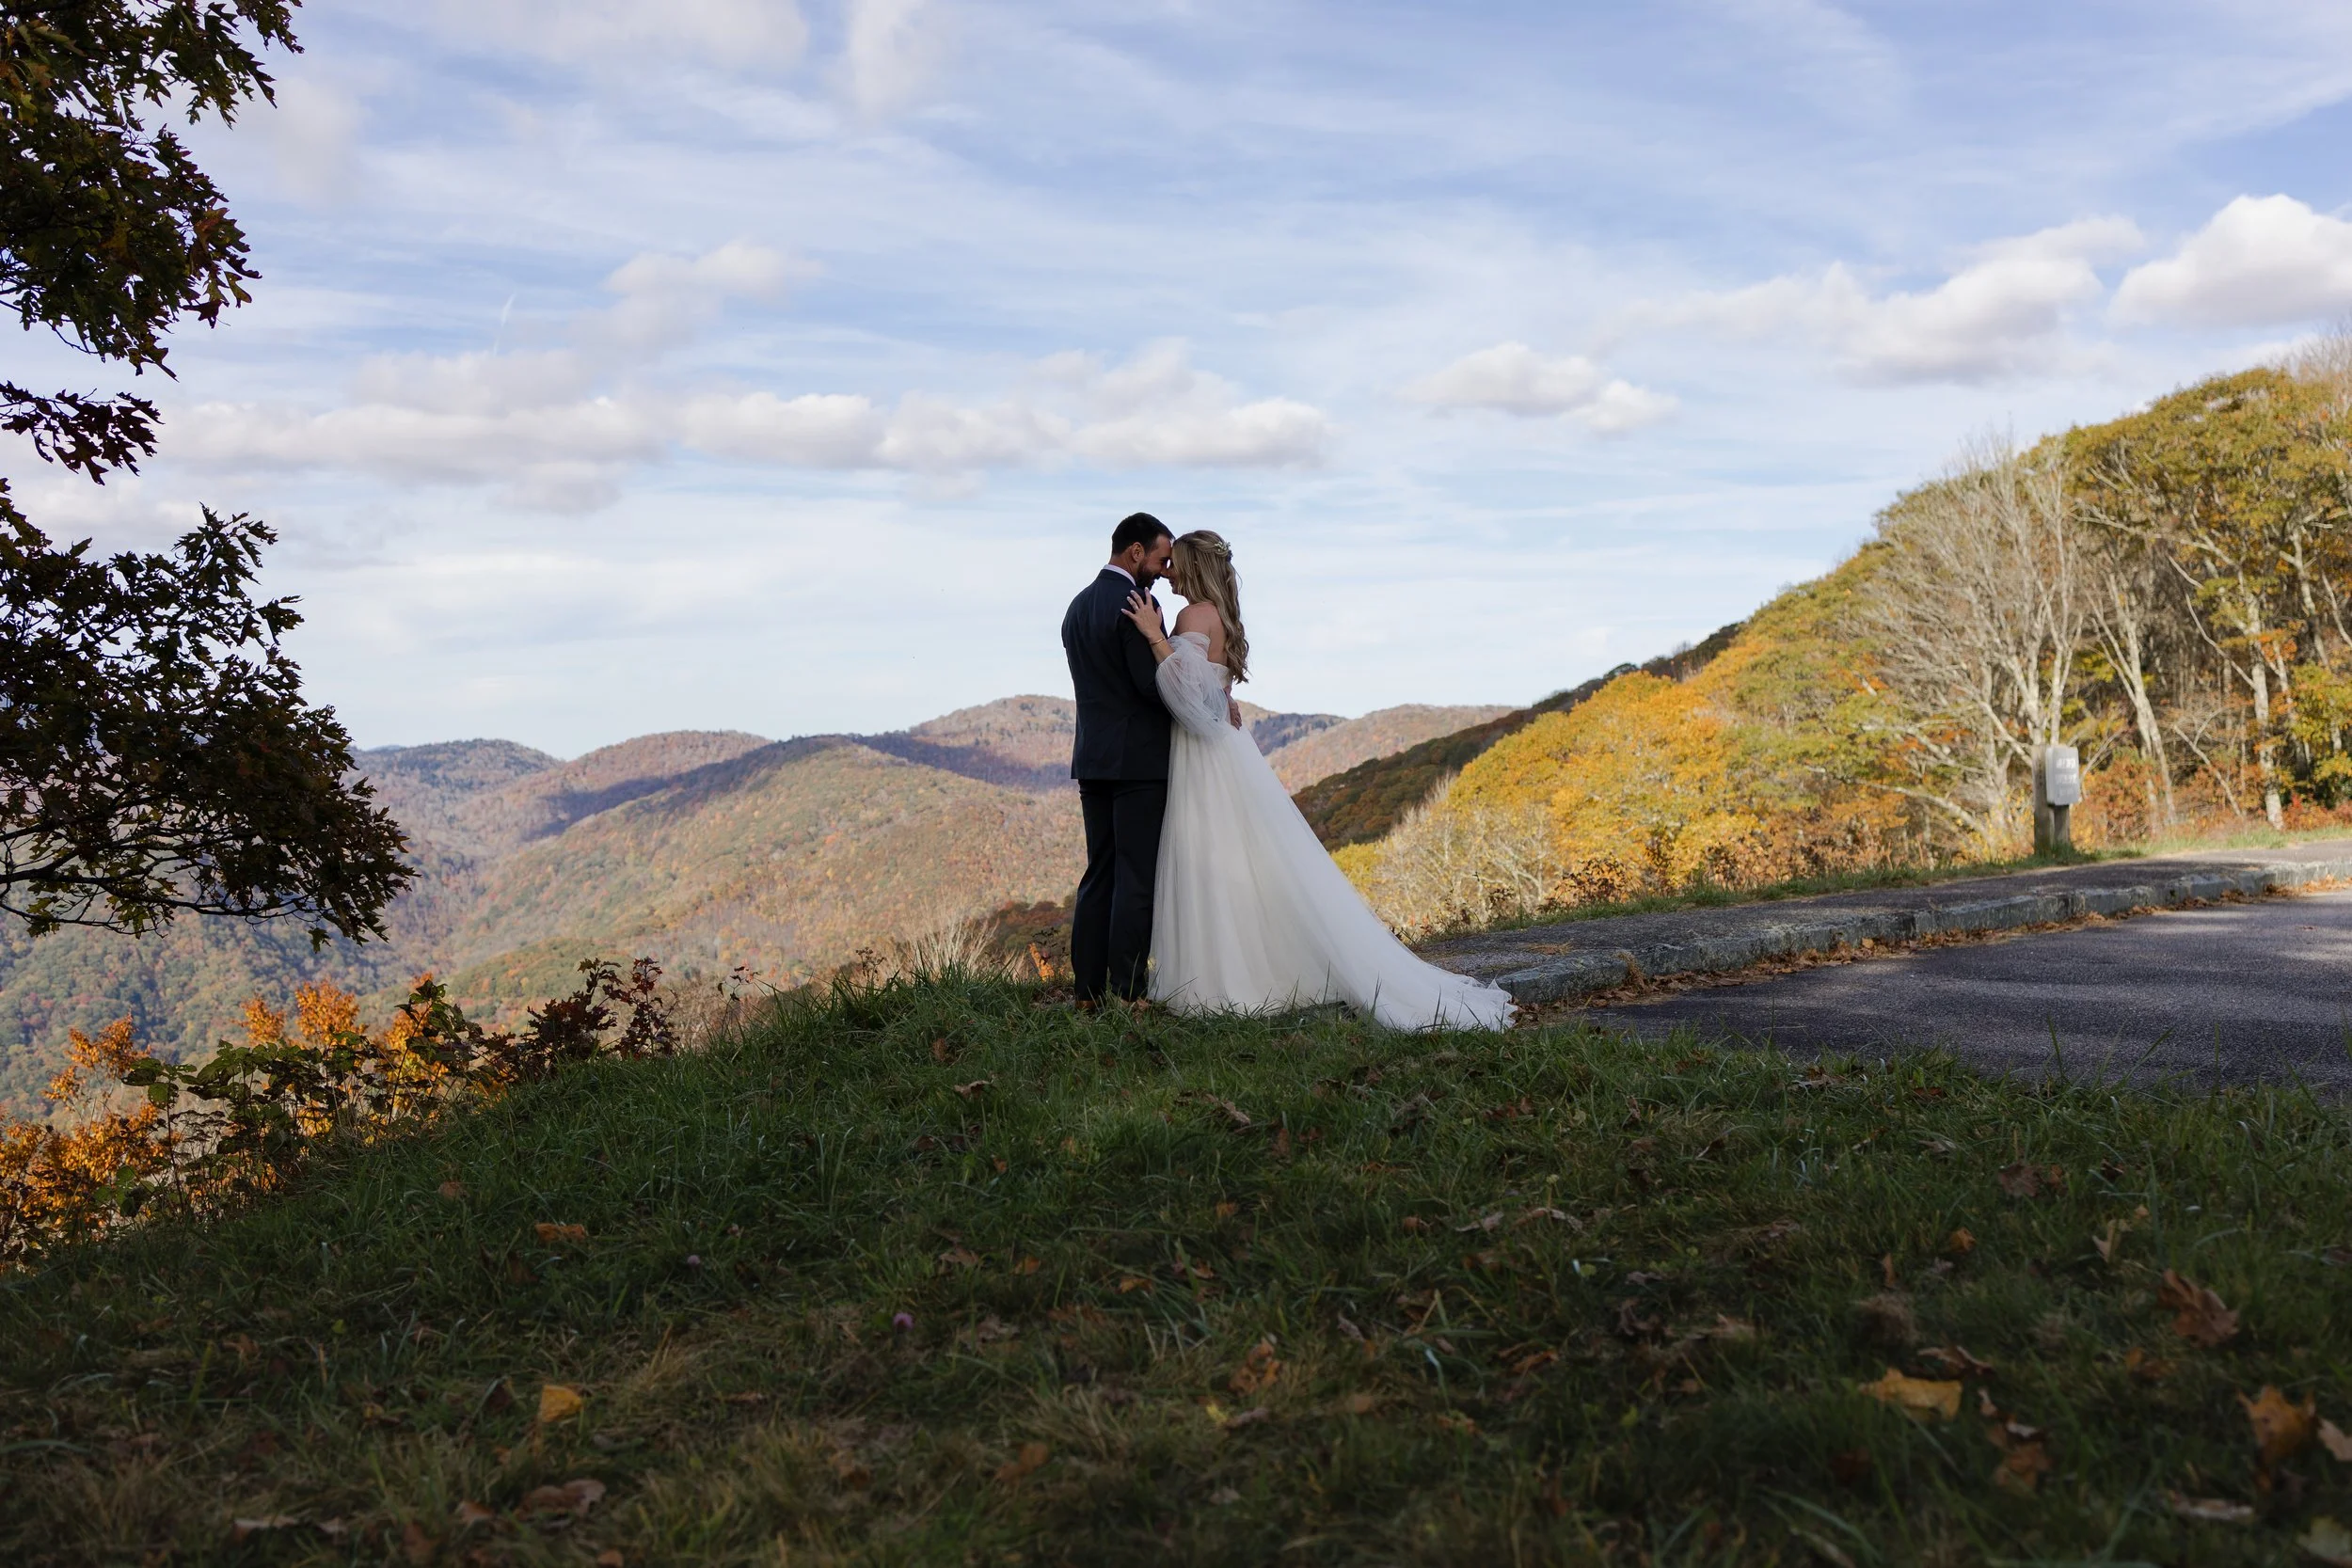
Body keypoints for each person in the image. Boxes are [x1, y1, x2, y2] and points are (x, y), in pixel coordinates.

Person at [1119, 530, 1515, 1030]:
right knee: (1248, 860)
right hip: (1226, 748)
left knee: (1215, 858)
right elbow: (1209, 689)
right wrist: (1221, 696)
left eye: (1175, 564)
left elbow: (1189, 704)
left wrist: (1154, 636)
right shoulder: (1217, 615)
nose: (1167, 572)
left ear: (1194, 568)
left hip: (1204, 755)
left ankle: (1223, 977)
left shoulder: (1191, 616)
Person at [1061, 513, 1177, 1005]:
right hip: (1138, 762)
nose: (1162, 570)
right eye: (1160, 558)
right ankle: (1128, 994)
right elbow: (1152, 689)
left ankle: (1087, 992)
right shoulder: (1137, 603)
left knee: (1099, 873)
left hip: (1092, 758)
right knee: (1135, 878)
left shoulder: (1077, 606)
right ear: (1134, 552)